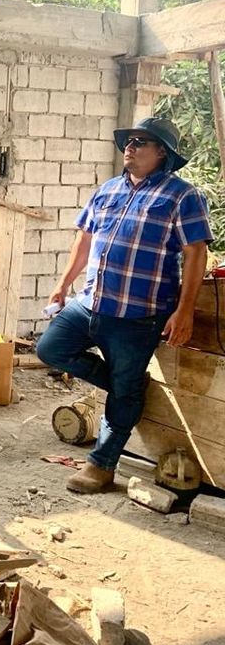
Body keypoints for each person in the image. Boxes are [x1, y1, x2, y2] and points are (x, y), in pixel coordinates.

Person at [36, 117, 212, 494]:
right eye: (128, 141)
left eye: (140, 142)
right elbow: (84, 240)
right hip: (90, 303)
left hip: (139, 315)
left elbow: (196, 253)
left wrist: (185, 310)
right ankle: (127, 390)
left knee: (123, 391)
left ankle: (101, 465)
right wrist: (63, 285)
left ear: (162, 152)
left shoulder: (182, 196)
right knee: (50, 348)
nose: (129, 147)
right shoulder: (108, 189)